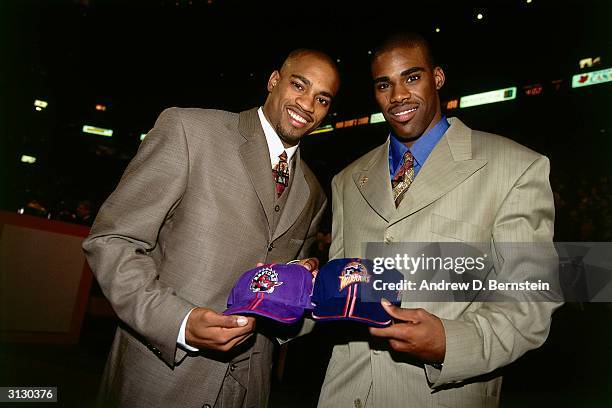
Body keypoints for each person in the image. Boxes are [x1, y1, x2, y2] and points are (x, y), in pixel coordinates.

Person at [83, 48, 340, 408]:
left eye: (322, 99)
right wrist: (180, 323)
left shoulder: (314, 191)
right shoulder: (189, 131)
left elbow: (285, 304)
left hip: (249, 390)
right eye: (299, 85)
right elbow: (112, 240)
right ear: (273, 81)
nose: (307, 104)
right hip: (161, 380)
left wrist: (304, 288)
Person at [317, 33, 561, 407]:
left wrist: (451, 342)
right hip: (349, 394)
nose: (397, 95)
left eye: (411, 78)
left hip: (442, 394)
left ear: (438, 78)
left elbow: (529, 301)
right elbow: (343, 290)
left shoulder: (515, 167)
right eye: (385, 85)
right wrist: (300, 288)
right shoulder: (348, 179)